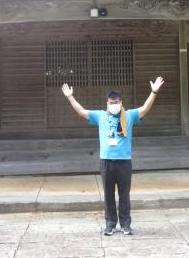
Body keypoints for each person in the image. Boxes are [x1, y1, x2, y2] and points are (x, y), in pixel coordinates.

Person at [61, 76, 165, 236]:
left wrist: (154, 91)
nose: (114, 105)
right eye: (111, 103)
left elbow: (144, 109)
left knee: (124, 194)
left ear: (121, 103)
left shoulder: (129, 116)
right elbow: (82, 112)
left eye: (117, 102)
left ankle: (125, 224)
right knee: (108, 194)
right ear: (107, 104)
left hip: (124, 162)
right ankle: (110, 224)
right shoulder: (100, 116)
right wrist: (69, 96)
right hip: (106, 162)